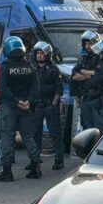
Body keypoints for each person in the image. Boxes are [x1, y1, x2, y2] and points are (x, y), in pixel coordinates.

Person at [0, 36, 42, 182]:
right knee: (28, 136)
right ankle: (35, 168)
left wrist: (16, 102)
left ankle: (7, 172)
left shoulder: (5, 67)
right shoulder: (29, 66)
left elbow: (3, 88)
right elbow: (36, 87)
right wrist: (28, 101)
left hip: (9, 107)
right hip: (26, 107)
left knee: (7, 138)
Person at [31, 41, 65, 171]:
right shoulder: (33, 69)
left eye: (42, 53)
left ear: (47, 55)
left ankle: (59, 160)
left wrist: (53, 104)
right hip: (37, 105)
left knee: (55, 133)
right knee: (35, 134)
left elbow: (58, 89)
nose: (39, 56)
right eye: (37, 53)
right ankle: (34, 159)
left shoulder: (54, 69)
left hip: (50, 104)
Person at [71, 31, 101, 130]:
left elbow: (97, 74)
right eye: (86, 44)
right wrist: (88, 74)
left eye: (90, 43)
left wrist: (83, 72)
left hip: (97, 98)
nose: (88, 46)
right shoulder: (83, 58)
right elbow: (74, 76)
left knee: (98, 127)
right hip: (84, 97)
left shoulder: (100, 57)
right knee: (87, 128)